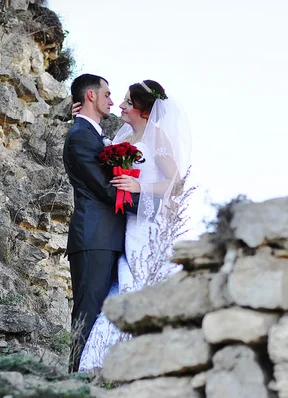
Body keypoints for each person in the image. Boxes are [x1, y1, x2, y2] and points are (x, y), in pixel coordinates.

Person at [75, 80, 192, 372]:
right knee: (123, 282)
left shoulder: (159, 138)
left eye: (128, 101)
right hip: (126, 223)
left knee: (136, 282)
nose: (122, 106)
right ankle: (105, 361)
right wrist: (77, 117)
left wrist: (140, 185)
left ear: (142, 107)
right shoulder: (124, 134)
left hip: (147, 224)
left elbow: (176, 184)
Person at [62, 73, 139, 373]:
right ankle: (72, 381)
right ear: (91, 96)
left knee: (99, 313)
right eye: (106, 93)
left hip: (106, 237)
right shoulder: (81, 135)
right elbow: (105, 189)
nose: (111, 99)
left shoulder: (91, 134)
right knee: (88, 312)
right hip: (93, 237)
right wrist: (147, 205)